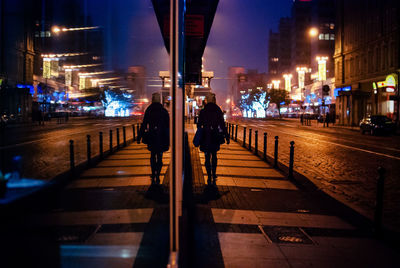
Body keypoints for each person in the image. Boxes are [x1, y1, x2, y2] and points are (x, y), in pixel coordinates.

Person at [197, 93, 229, 186]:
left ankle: (209, 175)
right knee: (214, 155)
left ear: (207, 100)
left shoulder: (203, 111)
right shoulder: (217, 110)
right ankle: (214, 173)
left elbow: (199, 125)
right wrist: (226, 136)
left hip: (206, 136)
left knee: (207, 156)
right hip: (215, 135)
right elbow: (222, 124)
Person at [138, 93, 169, 185]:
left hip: (152, 136)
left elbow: (144, 124)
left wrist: (139, 136)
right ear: (159, 100)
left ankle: (153, 173)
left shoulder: (149, 110)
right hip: (161, 136)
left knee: (152, 155)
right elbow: (168, 126)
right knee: (160, 156)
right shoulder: (164, 111)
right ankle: (158, 175)